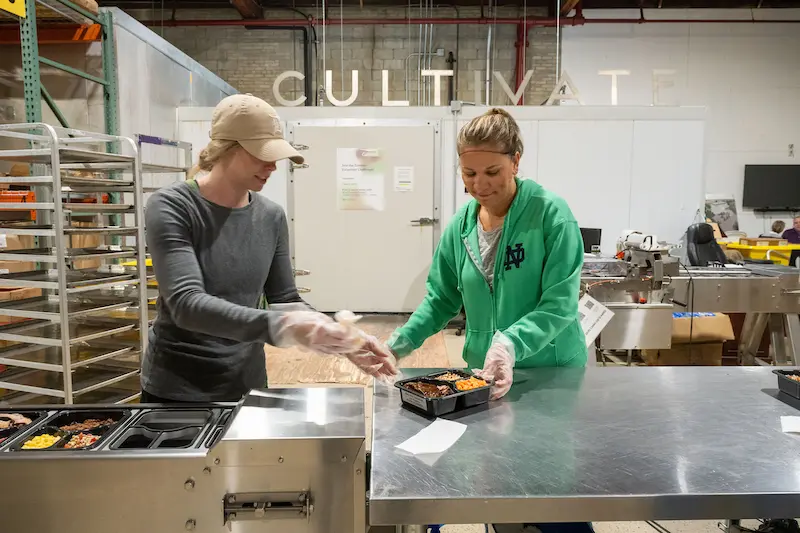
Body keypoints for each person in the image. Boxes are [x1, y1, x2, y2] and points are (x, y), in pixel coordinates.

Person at [387, 108, 591, 533]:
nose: (479, 185)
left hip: (547, 373)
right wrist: (398, 344)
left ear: (517, 160)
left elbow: (559, 305)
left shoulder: (551, 215)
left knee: (549, 488)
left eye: (493, 171)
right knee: (496, 479)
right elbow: (441, 298)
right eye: (469, 172)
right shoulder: (461, 227)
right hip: (486, 374)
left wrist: (510, 343)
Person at [142, 94, 396, 403]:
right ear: (227, 148)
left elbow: (285, 300)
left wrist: (343, 339)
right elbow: (186, 304)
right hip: (178, 388)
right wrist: (285, 326)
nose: (273, 166)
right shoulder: (172, 206)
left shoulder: (271, 216)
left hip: (246, 380)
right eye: (263, 154)